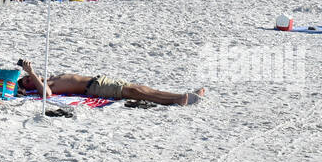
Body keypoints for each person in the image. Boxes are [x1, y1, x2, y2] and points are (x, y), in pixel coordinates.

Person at [16, 58, 206, 106]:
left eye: (26, 78)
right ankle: (180, 98)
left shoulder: (49, 78)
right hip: (95, 87)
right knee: (136, 92)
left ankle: (181, 96)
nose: (29, 78)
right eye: (27, 81)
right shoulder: (48, 86)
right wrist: (31, 73)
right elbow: (46, 94)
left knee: (139, 88)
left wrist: (33, 75)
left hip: (99, 79)